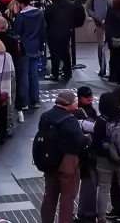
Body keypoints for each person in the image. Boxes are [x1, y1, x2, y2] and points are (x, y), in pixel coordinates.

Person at [35, 89, 88, 223]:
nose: (77, 103)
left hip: (49, 162)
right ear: (68, 104)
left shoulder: (45, 116)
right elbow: (80, 140)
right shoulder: (70, 121)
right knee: (67, 197)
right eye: (75, 101)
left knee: (49, 196)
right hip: (67, 164)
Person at [92, 90, 120, 223]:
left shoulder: (101, 121)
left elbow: (96, 144)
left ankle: (101, 218)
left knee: (103, 189)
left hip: (105, 161)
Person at [13, 0, 47, 114]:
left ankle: (24, 102)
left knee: (23, 76)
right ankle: (35, 100)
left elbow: (16, 33)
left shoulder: (20, 17)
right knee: (33, 75)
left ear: (20, 4)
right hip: (36, 46)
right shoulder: (39, 13)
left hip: (23, 48)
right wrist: (41, 48)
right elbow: (43, 31)